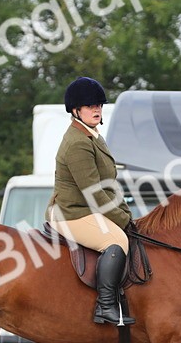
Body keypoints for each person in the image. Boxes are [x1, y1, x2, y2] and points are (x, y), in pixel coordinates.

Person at [47, 76, 135, 325]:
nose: (96, 109)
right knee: (116, 241)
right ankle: (105, 306)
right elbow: (93, 193)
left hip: (87, 208)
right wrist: (122, 222)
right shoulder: (77, 144)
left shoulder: (93, 136)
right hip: (72, 212)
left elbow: (110, 185)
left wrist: (128, 215)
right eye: (90, 106)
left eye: (99, 105)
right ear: (76, 110)